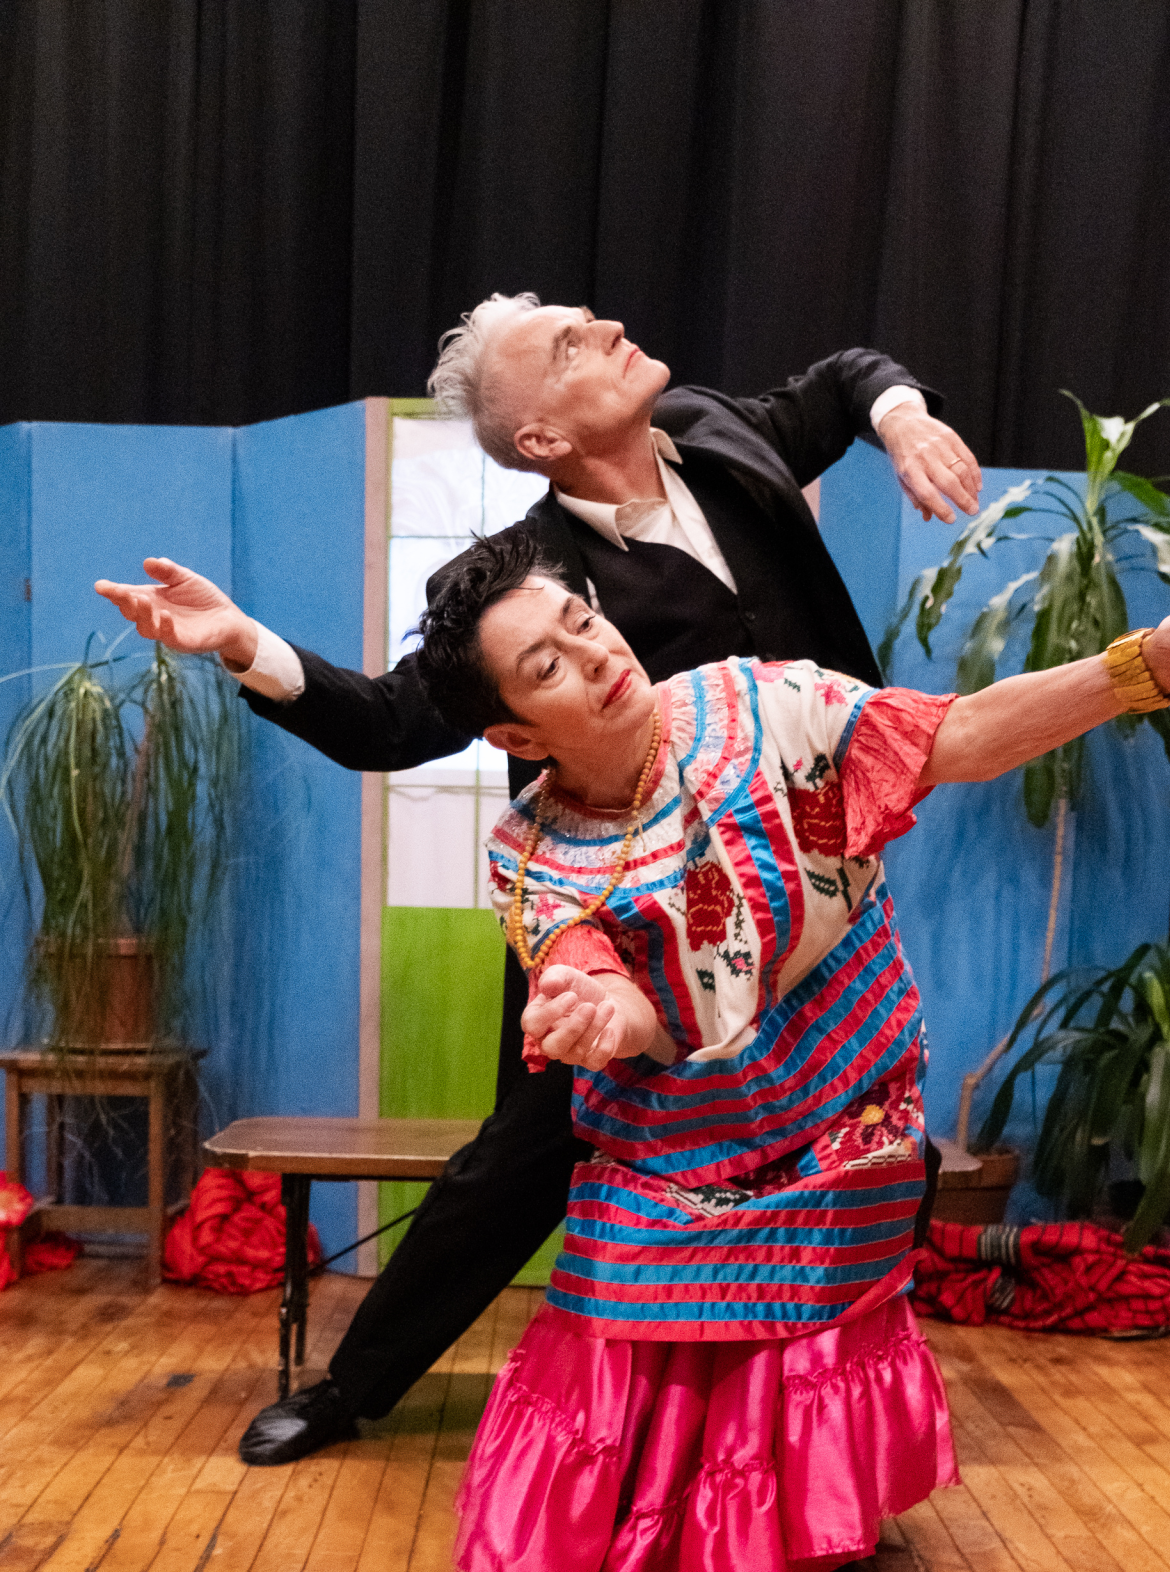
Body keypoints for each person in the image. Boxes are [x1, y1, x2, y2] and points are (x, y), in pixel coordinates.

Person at [95, 295, 982, 1472]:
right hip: (618, 912)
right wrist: (246, 643)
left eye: (584, 320)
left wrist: (902, 415)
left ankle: (821, 1427)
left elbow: (843, 374)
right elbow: (391, 719)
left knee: (877, 1148)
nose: (605, 326)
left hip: (805, 893)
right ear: (540, 442)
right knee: (513, 1167)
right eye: (566, 345)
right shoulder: (524, 585)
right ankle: (352, 1386)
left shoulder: (714, 426)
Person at [411, 534, 1170, 1572]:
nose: (593, 655)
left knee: (791, 1331)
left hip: (833, 1104)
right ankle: (554, 1546)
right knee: (612, 1321)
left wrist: (1149, 665)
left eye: (581, 623)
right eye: (545, 666)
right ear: (512, 734)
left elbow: (957, 738)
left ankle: (791, 1538)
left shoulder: (766, 707)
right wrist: (611, 1015)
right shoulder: (531, 852)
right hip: (669, 1140)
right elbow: (592, 978)